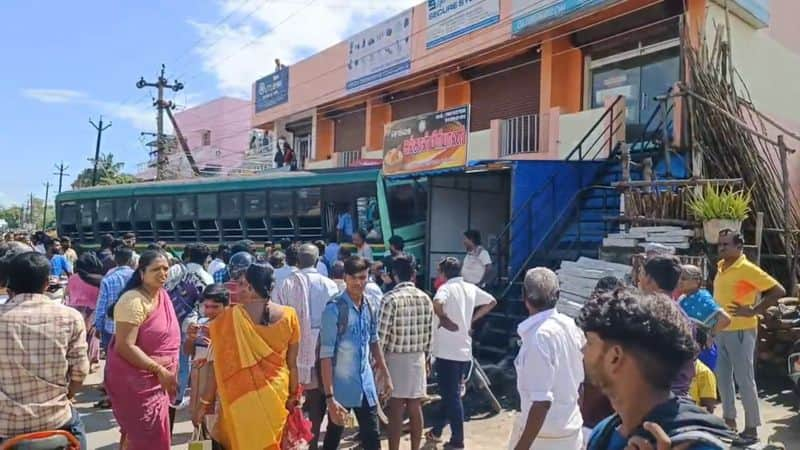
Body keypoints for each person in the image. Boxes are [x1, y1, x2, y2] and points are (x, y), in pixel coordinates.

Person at [580, 289, 733, 450]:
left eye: (590, 342)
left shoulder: (697, 446)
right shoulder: (605, 432)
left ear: (615, 357)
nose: (582, 350)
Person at [196, 263, 300, 449]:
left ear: (251, 287)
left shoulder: (230, 318)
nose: (239, 288)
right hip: (277, 394)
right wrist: (293, 396)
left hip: (240, 398)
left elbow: (217, 367)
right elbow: (292, 364)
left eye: (243, 284)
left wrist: (204, 403)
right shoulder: (290, 315)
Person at [0, 252, 89, 447]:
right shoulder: (70, 317)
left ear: (8, 286)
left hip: (5, 427)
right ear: (47, 284)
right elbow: (80, 373)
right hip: (56, 419)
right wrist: (67, 396)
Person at [713, 229, 785, 445]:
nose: (722, 248)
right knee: (723, 378)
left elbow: (778, 290)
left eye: (726, 244)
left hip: (741, 331)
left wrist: (754, 310)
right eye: (720, 244)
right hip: (721, 331)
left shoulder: (746, 268)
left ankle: (751, 429)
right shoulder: (721, 267)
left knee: (744, 379)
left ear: (739, 246)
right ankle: (729, 422)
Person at [106, 250, 181, 450]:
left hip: (160, 380)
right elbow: (125, 346)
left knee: (145, 435)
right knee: (143, 434)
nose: (163, 273)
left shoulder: (162, 296)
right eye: (156, 269)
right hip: (137, 382)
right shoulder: (133, 301)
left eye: (166, 269)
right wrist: (158, 370)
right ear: (142, 273)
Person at [319, 256, 393, 450]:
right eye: (355, 278)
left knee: (372, 438)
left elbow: (374, 341)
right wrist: (329, 397)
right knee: (333, 439)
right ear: (345, 278)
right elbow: (325, 356)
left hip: (366, 386)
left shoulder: (369, 305)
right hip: (341, 388)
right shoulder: (334, 309)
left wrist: (385, 374)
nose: (359, 283)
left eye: (363, 277)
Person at [509, 267, 585, 450]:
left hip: (544, 438)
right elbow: (581, 384)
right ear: (558, 295)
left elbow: (541, 402)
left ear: (524, 296)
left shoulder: (539, 337)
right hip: (570, 431)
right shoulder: (570, 326)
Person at [274, 244, 339, 450]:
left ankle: (292, 439)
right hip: (323, 348)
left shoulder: (285, 285)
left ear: (296, 261)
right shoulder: (329, 285)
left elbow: (277, 317)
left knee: (292, 397)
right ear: (318, 260)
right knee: (318, 397)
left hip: (293, 348)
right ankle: (313, 440)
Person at [427, 257, 497, 449]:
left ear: (443, 273)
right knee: (451, 394)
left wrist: (444, 318)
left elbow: (437, 303)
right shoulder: (470, 288)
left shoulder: (446, 289)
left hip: (446, 352)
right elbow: (491, 301)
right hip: (464, 351)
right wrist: (472, 320)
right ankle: (437, 431)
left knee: (452, 397)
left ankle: (457, 441)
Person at [378, 255, 434, 450]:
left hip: (395, 359)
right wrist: (427, 357)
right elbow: (429, 333)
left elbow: (381, 337)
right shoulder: (426, 298)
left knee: (395, 409)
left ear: (394, 275)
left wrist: (377, 364)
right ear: (413, 274)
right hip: (418, 356)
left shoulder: (389, 299)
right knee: (415, 405)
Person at [638, 255, 695, 397]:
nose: (639, 279)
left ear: (649, 279)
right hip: (680, 397)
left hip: (650, 398)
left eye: (642, 274)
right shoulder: (683, 317)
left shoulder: (644, 314)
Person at [185, 284, 229, 432]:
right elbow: (189, 352)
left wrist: (215, 344)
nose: (209, 311)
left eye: (215, 307)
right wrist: (190, 338)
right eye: (207, 306)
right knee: (200, 431)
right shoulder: (202, 324)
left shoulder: (231, 327)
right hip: (198, 388)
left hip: (218, 392)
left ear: (226, 306)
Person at [678, 264, 731, 371]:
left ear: (697, 281)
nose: (679, 282)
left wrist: (711, 335)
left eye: (683, 278)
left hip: (702, 351)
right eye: (678, 278)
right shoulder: (684, 298)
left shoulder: (703, 298)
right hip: (687, 349)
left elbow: (725, 319)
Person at [66, 252, 105, 368]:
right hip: (92, 311)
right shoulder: (98, 280)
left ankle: (76, 362)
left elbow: (68, 293)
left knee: (76, 338)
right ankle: (92, 362)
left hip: (74, 310)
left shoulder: (73, 278)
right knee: (93, 336)